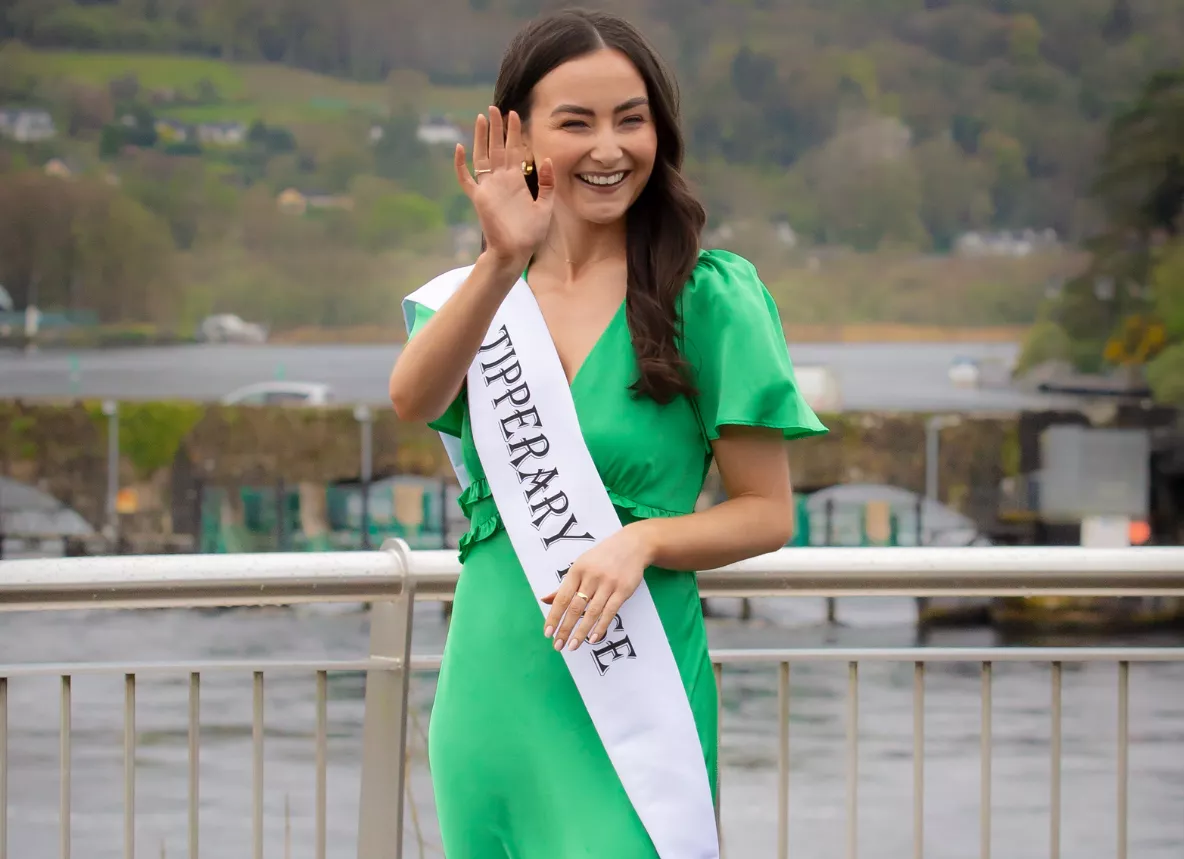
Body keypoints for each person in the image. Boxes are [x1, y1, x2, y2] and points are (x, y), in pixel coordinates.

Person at [388, 8, 827, 858]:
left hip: (634, 687)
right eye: (575, 122)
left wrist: (644, 541)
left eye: (631, 119)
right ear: (518, 137)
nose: (608, 148)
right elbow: (414, 397)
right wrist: (499, 259)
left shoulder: (709, 296)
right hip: (490, 686)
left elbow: (768, 513)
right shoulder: (483, 294)